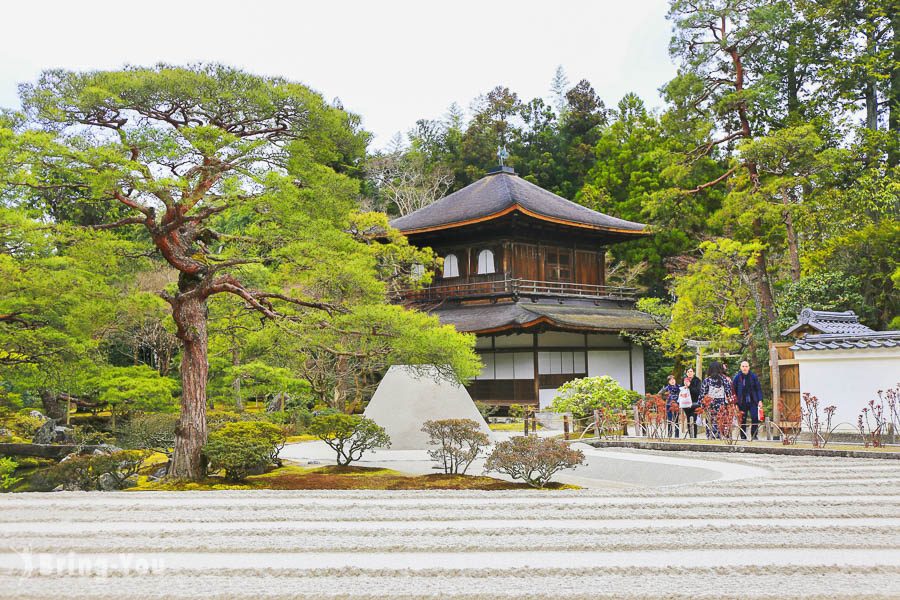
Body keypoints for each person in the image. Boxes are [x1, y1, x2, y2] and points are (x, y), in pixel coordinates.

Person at [699, 361, 734, 439]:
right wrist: (730, 405)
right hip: (722, 405)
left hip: (709, 405)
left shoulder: (707, 380)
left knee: (710, 421)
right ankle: (721, 436)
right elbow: (729, 393)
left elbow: (702, 394)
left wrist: (702, 405)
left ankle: (711, 437)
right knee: (721, 421)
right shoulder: (724, 380)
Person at [733, 360, 763, 441]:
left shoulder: (753, 376)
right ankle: (743, 435)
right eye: (743, 366)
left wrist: (760, 400)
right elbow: (733, 391)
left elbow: (758, 389)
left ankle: (754, 434)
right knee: (743, 418)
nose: (744, 368)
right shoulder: (737, 377)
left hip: (753, 400)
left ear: (749, 367)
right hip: (741, 401)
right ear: (740, 367)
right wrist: (735, 403)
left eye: (746, 366)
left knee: (754, 417)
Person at [683, 367, 701, 438]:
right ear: (686, 373)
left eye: (691, 371)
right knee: (688, 419)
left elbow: (698, 392)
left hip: (695, 403)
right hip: (686, 403)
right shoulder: (683, 380)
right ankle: (691, 435)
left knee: (693, 419)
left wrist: (689, 386)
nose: (689, 373)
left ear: (693, 372)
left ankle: (694, 436)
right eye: (688, 371)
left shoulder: (697, 381)